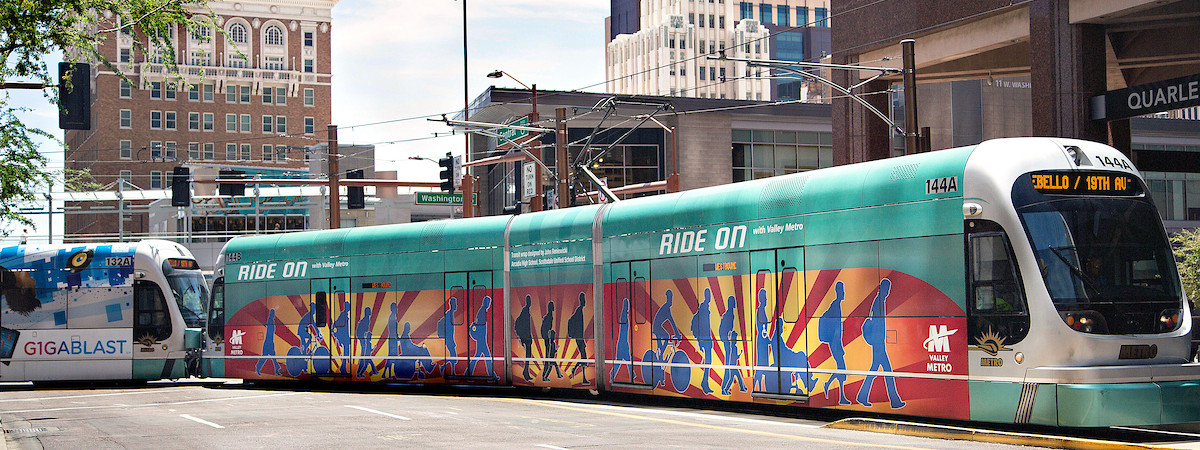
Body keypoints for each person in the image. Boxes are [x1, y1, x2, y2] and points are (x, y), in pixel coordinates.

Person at [857, 279, 905, 409]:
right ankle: (894, 400)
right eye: (887, 289)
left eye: (889, 289)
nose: (888, 292)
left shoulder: (879, 301)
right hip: (878, 343)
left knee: (876, 369)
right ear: (882, 288)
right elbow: (877, 323)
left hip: (879, 341)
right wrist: (880, 341)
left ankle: (862, 396)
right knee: (886, 371)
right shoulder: (879, 302)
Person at [817, 281, 850, 405]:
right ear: (838, 292)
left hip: (836, 343)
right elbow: (835, 329)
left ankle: (830, 386)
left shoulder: (836, 305)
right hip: (835, 343)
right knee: (842, 369)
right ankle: (840, 396)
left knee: (841, 368)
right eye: (842, 290)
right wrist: (838, 345)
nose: (844, 293)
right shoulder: (836, 305)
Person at [691, 288, 714, 395]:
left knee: (708, 362)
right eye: (708, 295)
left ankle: (705, 383)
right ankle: (704, 383)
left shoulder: (705, 307)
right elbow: (704, 326)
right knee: (708, 362)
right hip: (705, 340)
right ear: (706, 296)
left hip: (706, 339)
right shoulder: (704, 308)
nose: (710, 297)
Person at [567, 293, 588, 382]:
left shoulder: (580, 310)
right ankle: (582, 377)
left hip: (580, 338)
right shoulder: (579, 310)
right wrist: (574, 334)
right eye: (583, 299)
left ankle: (576, 370)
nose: (585, 301)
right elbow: (570, 320)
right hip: (579, 338)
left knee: (584, 357)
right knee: (584, 357)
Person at [514, 295, 535, 381]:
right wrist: (522, 336)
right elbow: (521, 323)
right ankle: (525, 372)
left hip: (527, 337)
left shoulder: (527, 310)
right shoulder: (525, 311)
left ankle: (526, 372)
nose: (530, 302)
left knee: (528, 356)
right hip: (526, 338)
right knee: (528, 356)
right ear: (527, 301)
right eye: (529, 301)